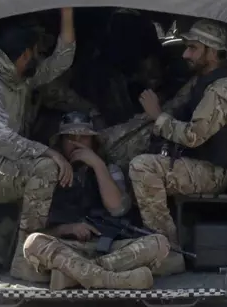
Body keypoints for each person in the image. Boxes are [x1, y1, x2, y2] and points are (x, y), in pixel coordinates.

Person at [0, 7, 76, 282]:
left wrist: (68, 9)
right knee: (43, 169)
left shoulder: (19, 79)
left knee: (47, 166)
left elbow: (61, 61)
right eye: (35, 52)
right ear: (24, 56)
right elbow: (1, 139)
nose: (39, 58)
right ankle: (25, 261)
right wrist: (50, 153)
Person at [129, 19, 227, 275]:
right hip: (192, 160)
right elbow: (171, 111)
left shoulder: (224, 88)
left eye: (192, 48)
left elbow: (193, 136)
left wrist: (158, 117)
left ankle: (167, 250)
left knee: (143, 168)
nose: (185, 54)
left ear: (213, 53)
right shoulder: (200, 81)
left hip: (212, 170)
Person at [23, 112, 170, 290]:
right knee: (33, 243)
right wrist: (68, 228)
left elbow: (117, 209)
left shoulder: (108, 169)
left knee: (158, 243)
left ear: (93, 142)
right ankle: (111, 280)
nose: (76, 143)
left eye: (83, 138)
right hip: (68, 250)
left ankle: (75, 278)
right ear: (60, 143)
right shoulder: (47, 173)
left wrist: (98, 165)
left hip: (110, 250)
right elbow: (37, 228)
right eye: (70, 138)